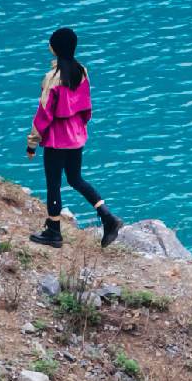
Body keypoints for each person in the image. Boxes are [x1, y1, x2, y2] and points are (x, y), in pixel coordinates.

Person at [26, 27, 124, 250]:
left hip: (57, 139)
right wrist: (80, 127)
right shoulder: (82, 71)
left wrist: (32, 143)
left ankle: (53, 232)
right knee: (75, 179)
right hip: (76, 136)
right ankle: (107, 217)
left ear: (56, 48)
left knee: (54, 184)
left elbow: (44, 114)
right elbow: (87, 107)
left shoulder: (52, 79)